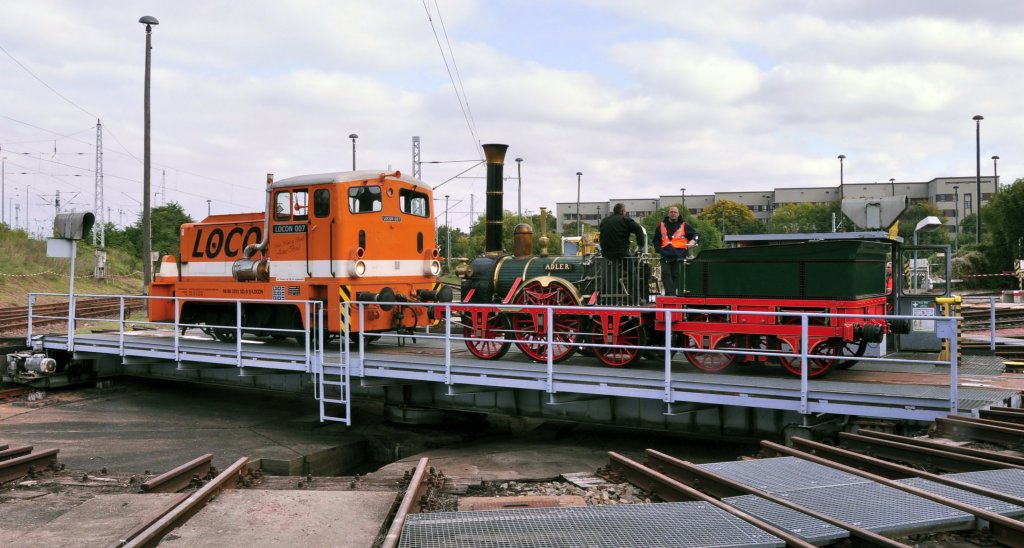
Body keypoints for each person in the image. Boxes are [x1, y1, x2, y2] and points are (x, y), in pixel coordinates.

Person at [654, 206, 699, 296]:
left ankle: (673, 295)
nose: (673, 213)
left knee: (676, 276)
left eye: (675, 212)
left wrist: (693, 241)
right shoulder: (661, 225)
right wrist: (659, 249)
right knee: (665, 275)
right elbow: (656, 240)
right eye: (671, 212)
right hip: (665, 255)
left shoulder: (684, 225)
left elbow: (696, 235)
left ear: (678, 214)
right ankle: (670, 295)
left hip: (679, 255)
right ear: (668, 214)